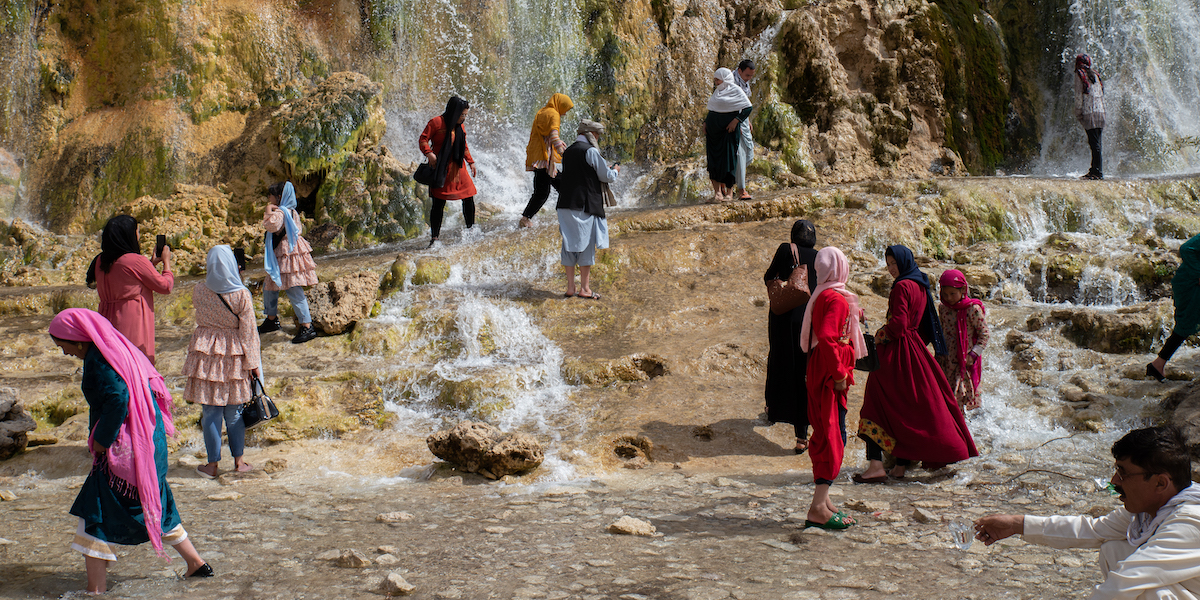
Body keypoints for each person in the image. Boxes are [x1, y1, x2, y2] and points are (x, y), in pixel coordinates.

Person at [48, 308, 212, 594]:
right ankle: (196, 564)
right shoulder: (119, 348)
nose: (64, 353)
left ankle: (95, 590)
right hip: (149, 441)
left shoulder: (99, 360)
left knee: (95, 514)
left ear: (77, 339)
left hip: (127, 451)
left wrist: (101, 438)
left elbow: (118, 399)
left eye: (62, 346)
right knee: (154, 501)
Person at [975, 426, 1200, 599]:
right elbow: (1093, 531)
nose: (1114, 482)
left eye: (1123, 473)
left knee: (1151, 591)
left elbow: (1128, 579)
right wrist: (1016, 524)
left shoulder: (1188, 522)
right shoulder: (1152, 509)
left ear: (1161, 483)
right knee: (1113, 549)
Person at [854, 245, 977, 482]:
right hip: (915, 351)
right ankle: (899, 467)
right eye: (888, 264)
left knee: (874, 405)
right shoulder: (920, 284)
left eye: (893, 263)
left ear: (903, 262)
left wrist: (880, 335)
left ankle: (876, 466)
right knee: (906, 410)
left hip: (895, 354)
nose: (891, 269)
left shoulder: (901, 286)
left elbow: (898, 325)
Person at [798, 246, 868, 530]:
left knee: (826, 431)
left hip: (818, 368)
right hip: (830, 371)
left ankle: (824, 502)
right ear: (841, 269)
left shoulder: (824, 295)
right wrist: (839, 373)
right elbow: (828, 337)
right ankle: (818, 506)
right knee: (833, 434)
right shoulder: (836, 299)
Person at [184, 246, 261, 479]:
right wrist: (254, 363)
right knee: (234, 412)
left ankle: (212, 466)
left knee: (210, 412)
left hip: (206, 354)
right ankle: (239, 462)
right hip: (234, 355)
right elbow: (248, 333)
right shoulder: (241, 294)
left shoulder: (199, 290)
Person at [85, 215, 174, 365]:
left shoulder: (100, 260)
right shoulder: (136, 260)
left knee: (115, 365)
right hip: (132, 321)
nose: (138, 235)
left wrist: (151, 264)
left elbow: (129, 279)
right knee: (136, 366)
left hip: (106, 320)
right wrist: (166, 263)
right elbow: (165, 286)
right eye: (137, 231)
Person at [762, 220, 819, 453]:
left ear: (794, 235)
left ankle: (773, 410)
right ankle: (802, 436)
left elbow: (768, 276)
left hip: (785, 320)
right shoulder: (820, 256)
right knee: (804, 372)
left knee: (780, 363)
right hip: (810, 321)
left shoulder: (787, 249)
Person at [555, 120, 619, 300]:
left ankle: (570, 287)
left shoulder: (568, 152)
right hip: (584, 205)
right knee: (586, 245)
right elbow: (605, 176)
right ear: (591, 134)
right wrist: (615, 171)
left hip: (565, 204)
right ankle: (584, 289)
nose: (598, 138)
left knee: (568, 244)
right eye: (597, 135)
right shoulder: (591, 151)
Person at [259, 181, 318, 344]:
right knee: (271, 286)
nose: (269, 198)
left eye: (270, 195)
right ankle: (271, 319)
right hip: (288, 252)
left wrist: (268, 210)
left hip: (286, 254)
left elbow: (271, 226)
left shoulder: (281, 212)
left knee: (292, 287)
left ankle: (307, 326)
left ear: (279, 197)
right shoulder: (291, 211)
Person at [419, 96, 477, 247]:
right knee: (438, 202)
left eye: (465, 115)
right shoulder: (436, 123)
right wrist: (429, 153)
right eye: (461, 114)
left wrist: (471, 162)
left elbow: (464, 146)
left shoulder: (460, 126)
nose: (463, 118)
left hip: (458, 168)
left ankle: (471, 230)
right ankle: (435, 238)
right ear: (454, 111)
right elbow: (423, 139)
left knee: (469, 197)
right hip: (441, 169)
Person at [1147, 232, 1200, 382]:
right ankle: (1157, 364)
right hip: (1192, 285)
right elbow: (1186, 248)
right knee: (1187, 323)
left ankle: (1157, 365)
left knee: (1186, 324)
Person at [936, 269, 990, 410]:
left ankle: (961, 429)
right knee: (944, 398)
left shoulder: (973, 310)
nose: (949, 298)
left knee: (959, 400)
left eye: (953, 294)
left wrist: (973, 354)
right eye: (945, 294)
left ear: (963, 289)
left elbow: (984, 334)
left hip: (964, 363)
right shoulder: (943, 308)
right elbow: (941, 330)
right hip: (946, 361)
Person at [520, 93, 574, 227]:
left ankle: (571, 211)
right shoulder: (554, 114)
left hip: (540, 156)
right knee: (542, 192)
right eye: (565, 109)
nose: (565, 114)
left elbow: (544, 134)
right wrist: (565, 154)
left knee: (563, 185)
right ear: (560, 105)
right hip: (543, 158)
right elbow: (554, 136)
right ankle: (525, 219)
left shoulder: (542, 112)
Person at [704, 68, 752, 202]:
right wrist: (705, 122)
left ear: (725, 79)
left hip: (728, 131)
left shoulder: (736, 91)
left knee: (729, 160)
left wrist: (736, 121)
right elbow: (712, 109)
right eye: (715, 80)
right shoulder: (717, 92)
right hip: (713, 132)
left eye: (718, 79)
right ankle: (717, 193)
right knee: (713, 161)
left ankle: (729, 194)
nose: (716, 82)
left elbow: (748, 108)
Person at [1074, 53, 1105, 180]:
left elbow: (1078, 95)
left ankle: (1097, 172)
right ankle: (1095, 170)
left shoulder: (1079, 74)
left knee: (1094, 144)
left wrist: (1078, 112)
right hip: (1101, 112)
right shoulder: (1096, 74)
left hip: (1089, 112)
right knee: (1097, 143)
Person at [733, 59, 756, 201]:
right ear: (739, 71)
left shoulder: (744, 82)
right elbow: (728, 104)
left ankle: (729, 181)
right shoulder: (731, 81)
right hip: (734, 121)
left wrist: (748, 120)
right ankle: (741, 190)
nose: (749, 79)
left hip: (743, 120)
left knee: (749, 155)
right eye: (747, 75)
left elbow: (745, 103)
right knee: (740, 154)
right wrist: (737, 122)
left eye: (751, 76)